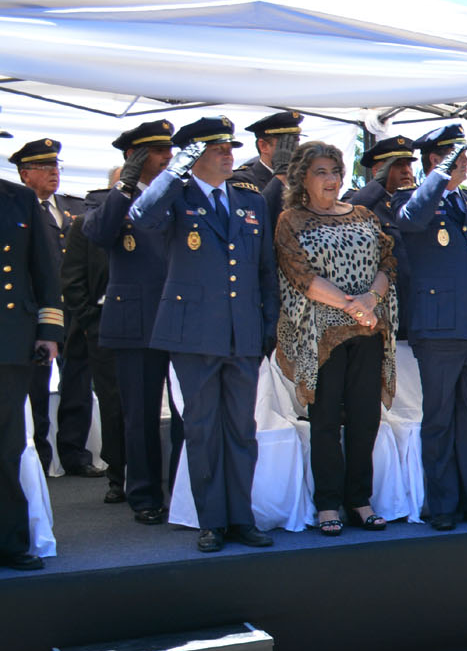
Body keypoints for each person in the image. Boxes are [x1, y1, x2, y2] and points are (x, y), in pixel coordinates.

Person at [127, 117, 279, 553]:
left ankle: (241, 518)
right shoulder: (177, 196)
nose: (230, 155)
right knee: (202, 430)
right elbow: (141, 216)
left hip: (243, 333)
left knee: (242, 432)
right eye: (217, 149)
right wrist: (177, 170)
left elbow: (265, 270)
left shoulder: (249, 201)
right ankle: (211, 520)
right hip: (193, 334)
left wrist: (267, 327)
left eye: (230, 148)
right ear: (194, 156)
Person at [384, 125, 467, 531]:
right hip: (437, 329)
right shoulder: (410, 199)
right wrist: (438, 178)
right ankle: (443, 504)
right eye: (458, 158)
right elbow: (411, 221)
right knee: (438, 416)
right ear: (436, 161)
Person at [272, 140, 396, 536]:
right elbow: (300, 275)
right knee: (325, 421)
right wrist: (352, 305)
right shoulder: (291, 220)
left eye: (336, 171)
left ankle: (360, 500)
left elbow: (386, 262)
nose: (331, 179)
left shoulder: (362, 214)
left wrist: (370, 300)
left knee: (365, 419)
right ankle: (328, 504)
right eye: (321, 172)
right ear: (302, 179)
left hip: (368, 332)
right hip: (320, 337)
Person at [81, 120, 182, 525]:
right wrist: (124, 186)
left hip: (179, 317)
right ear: (132, 157)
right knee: (139, 415)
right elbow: (99, 233)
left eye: (167, 151)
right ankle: (143, 495)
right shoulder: (106, 200)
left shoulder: (179, 195)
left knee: (184, 413)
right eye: (156, 152)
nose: (165, 158)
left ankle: (183, 491)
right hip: (134, 321)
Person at [10, 138, 88, 476]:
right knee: (36, 388)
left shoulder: (72, 206)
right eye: (45, 168)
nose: (54, 174)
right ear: (25, 174)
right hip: (39, 312)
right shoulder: (16, 206)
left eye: (56, 167)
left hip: (74, 308)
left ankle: (75, 455)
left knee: (78, 385)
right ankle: (41, 457)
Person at [0, 146, 62, 570]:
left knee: (5, 448)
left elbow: (45, 270)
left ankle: (9, 540)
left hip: (9, 338)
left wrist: (49, 331)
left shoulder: (18, 198)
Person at [233, 110, 304, 222]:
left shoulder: (302, 178)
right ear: (263, 146)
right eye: (286, 143)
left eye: (296, 141)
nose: (294, 148)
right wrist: (281, 174)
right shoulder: (242, 180)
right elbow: (257, 216)